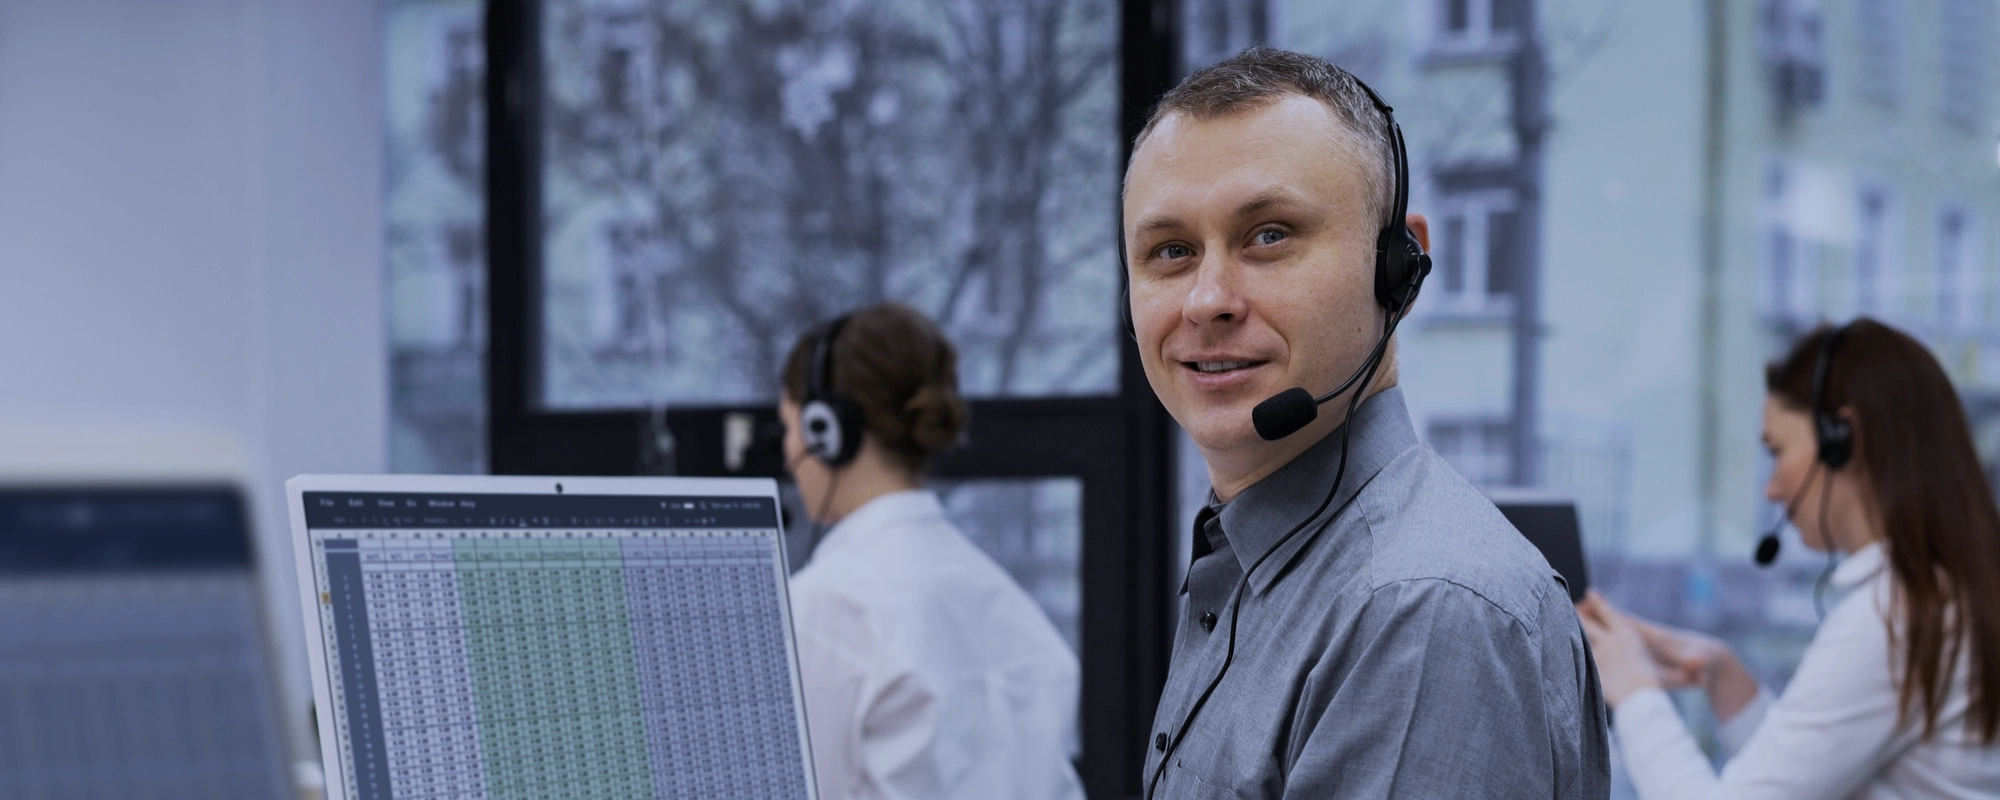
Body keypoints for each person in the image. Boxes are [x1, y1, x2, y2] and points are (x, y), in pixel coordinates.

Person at [1122, 47, 1609, 798]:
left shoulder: (1422, 610)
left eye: (1269, 235)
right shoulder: (1255, 565)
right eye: (1172, 251)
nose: (1207, 299)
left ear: (1399, 270)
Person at [1578, 319, 2000, 799]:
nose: (1772, 489)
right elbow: (1801, 773)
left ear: (1844, 440)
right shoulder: (1940, 593)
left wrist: (1634, 691)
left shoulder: (1893, 618)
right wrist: (1723, 674)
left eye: (1777, 451)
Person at [777, 301, 1085, 800]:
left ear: (826, 431)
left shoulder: (818, 609)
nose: (789, 452)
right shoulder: (1008, 605)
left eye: (789, 427)